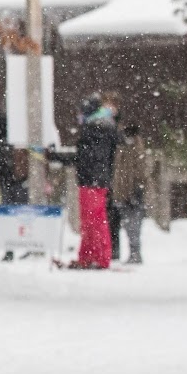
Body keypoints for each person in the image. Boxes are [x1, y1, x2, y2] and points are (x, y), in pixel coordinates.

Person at [71, 95, 118, 269]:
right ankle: (89, 256)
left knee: (95, 221)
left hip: (92, 180)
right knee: (91, 221)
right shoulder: (101, 128)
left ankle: (99, 257)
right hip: (93, 179)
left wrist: (58, 157)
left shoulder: (95, 130)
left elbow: (85, 156)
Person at [112, 122, 147, 265]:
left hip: (131, 193)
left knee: (133, 225)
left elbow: (139, 172)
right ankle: (133, 252)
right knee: (129, 226)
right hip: (123, 193)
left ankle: (135, 253)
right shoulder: (125, 149)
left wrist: (136, 190)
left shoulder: (135, 150)